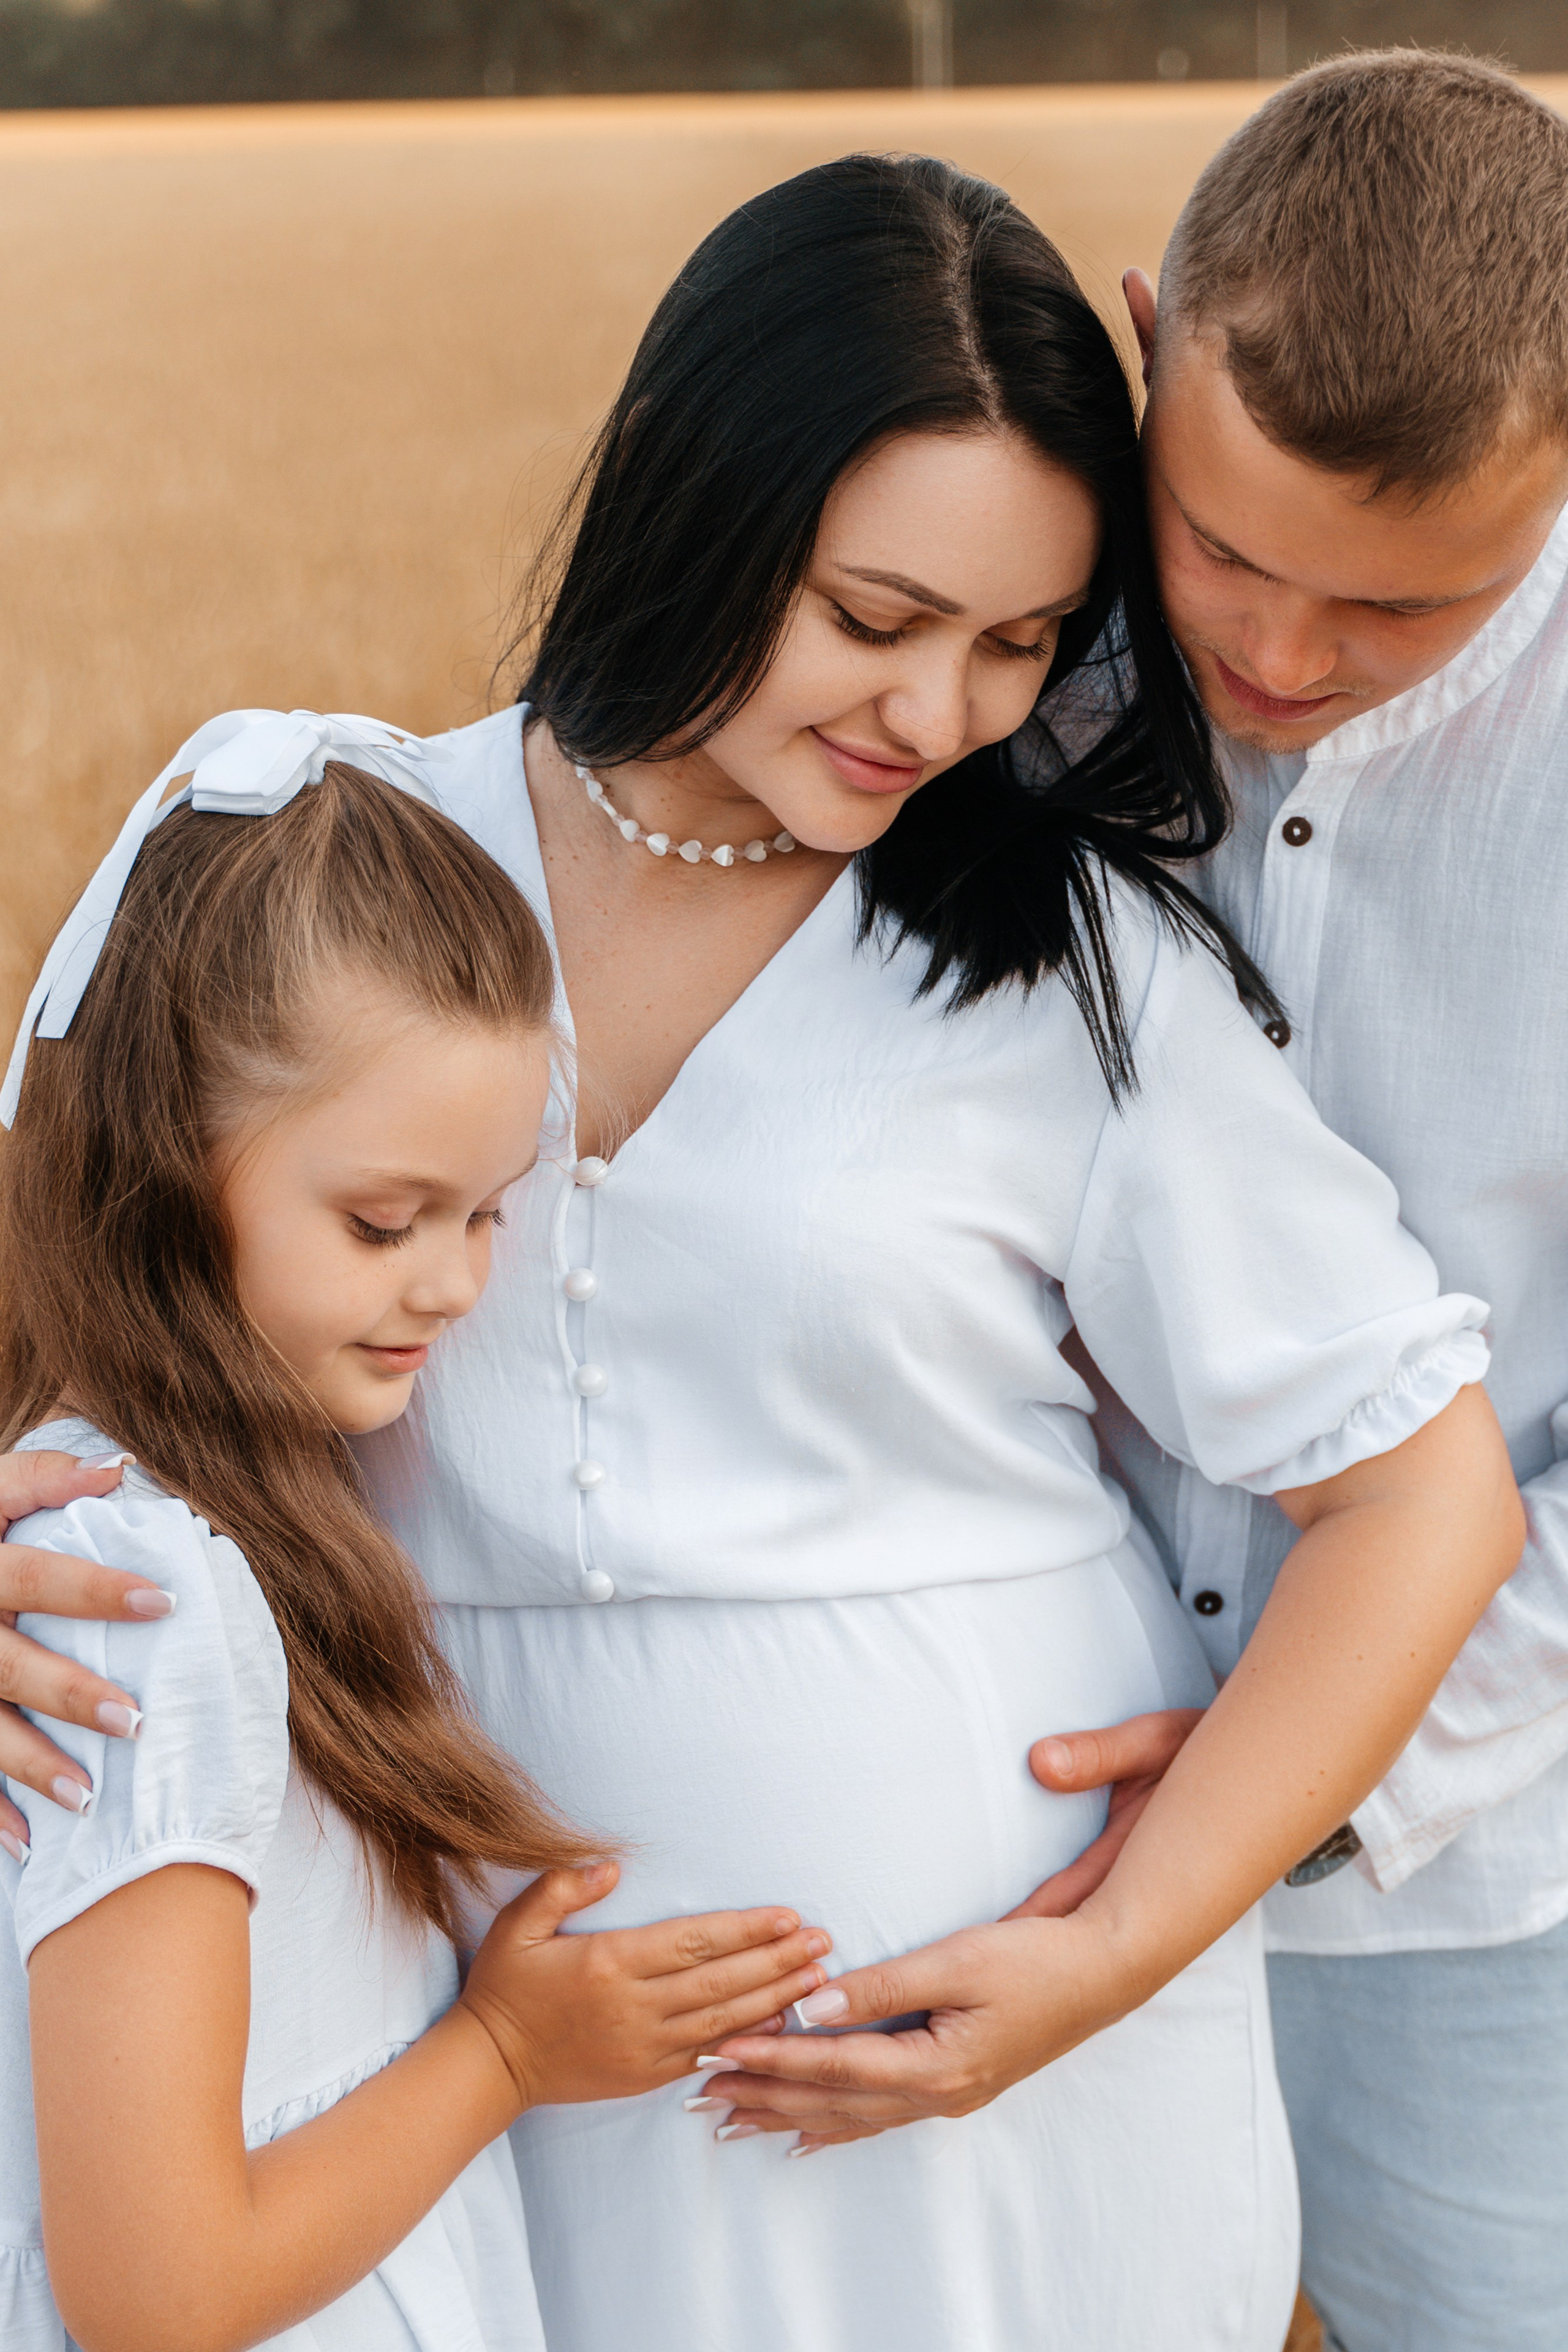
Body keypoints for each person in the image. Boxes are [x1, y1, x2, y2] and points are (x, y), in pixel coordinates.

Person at [0, 157, 1527, 2351]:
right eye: (875, 619)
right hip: (473, 2070)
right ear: (698, 512)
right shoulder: (301, 864)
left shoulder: (1075, 972)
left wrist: (1110, 1957)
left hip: (989, 2109)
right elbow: (72, 1310)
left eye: (1021, 644)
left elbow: (1419, 1489)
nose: (940, 719)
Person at [956, 53, 1568, 2352]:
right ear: (1143, 347)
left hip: (1480, 1900)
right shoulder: (977, 654)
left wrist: (1304, 1776)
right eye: (1225, 553)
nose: (1287, 662)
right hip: (983, 1814)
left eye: (1411, 606)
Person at [0, 715, 829, 2350]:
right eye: (386, 1221)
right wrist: (506, 2055)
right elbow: (157, 2293)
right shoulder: (138, 1587)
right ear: (172, 1159)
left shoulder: (241, 1506)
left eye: (486, 1213)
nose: (452, 1283)